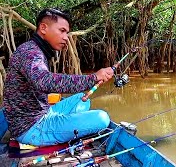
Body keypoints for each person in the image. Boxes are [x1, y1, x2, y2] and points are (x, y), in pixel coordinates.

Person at [2, 8, 114, 146]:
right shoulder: (30, 53)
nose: (66, 37)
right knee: (102, 118)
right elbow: (43, 81)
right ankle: (63, 127)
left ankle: (64, 125)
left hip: (42, 113)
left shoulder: (34, 49)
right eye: (62, 31)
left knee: (81, 99)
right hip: (31, 128)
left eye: (67, 33)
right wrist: (93, 78)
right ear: (43, 28)